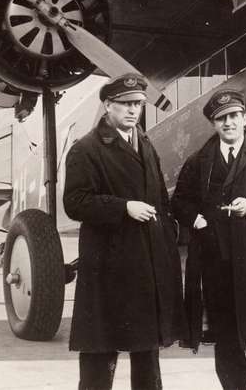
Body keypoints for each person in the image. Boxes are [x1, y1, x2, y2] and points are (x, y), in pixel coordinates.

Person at [63, 73, 186, 390]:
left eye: (138, 104)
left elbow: (159, 195)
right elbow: (75, 202)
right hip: (108, 267)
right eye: (126, 104)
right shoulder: (86, 149)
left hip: (146, 266)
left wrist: (167, 236)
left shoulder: (144, 142)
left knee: (146, 352)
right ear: (108, 105)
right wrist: (123, 207)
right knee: (100, 354)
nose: (133, 111)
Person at [171, 89, 246, 390]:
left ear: (244, 118)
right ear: (213, 124)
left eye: (233, 116)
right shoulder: (199, 160)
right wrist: (194, 219)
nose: (228, 123)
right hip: (217, 267)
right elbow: (180, 202)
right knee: (226, 342)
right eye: (221, 119)